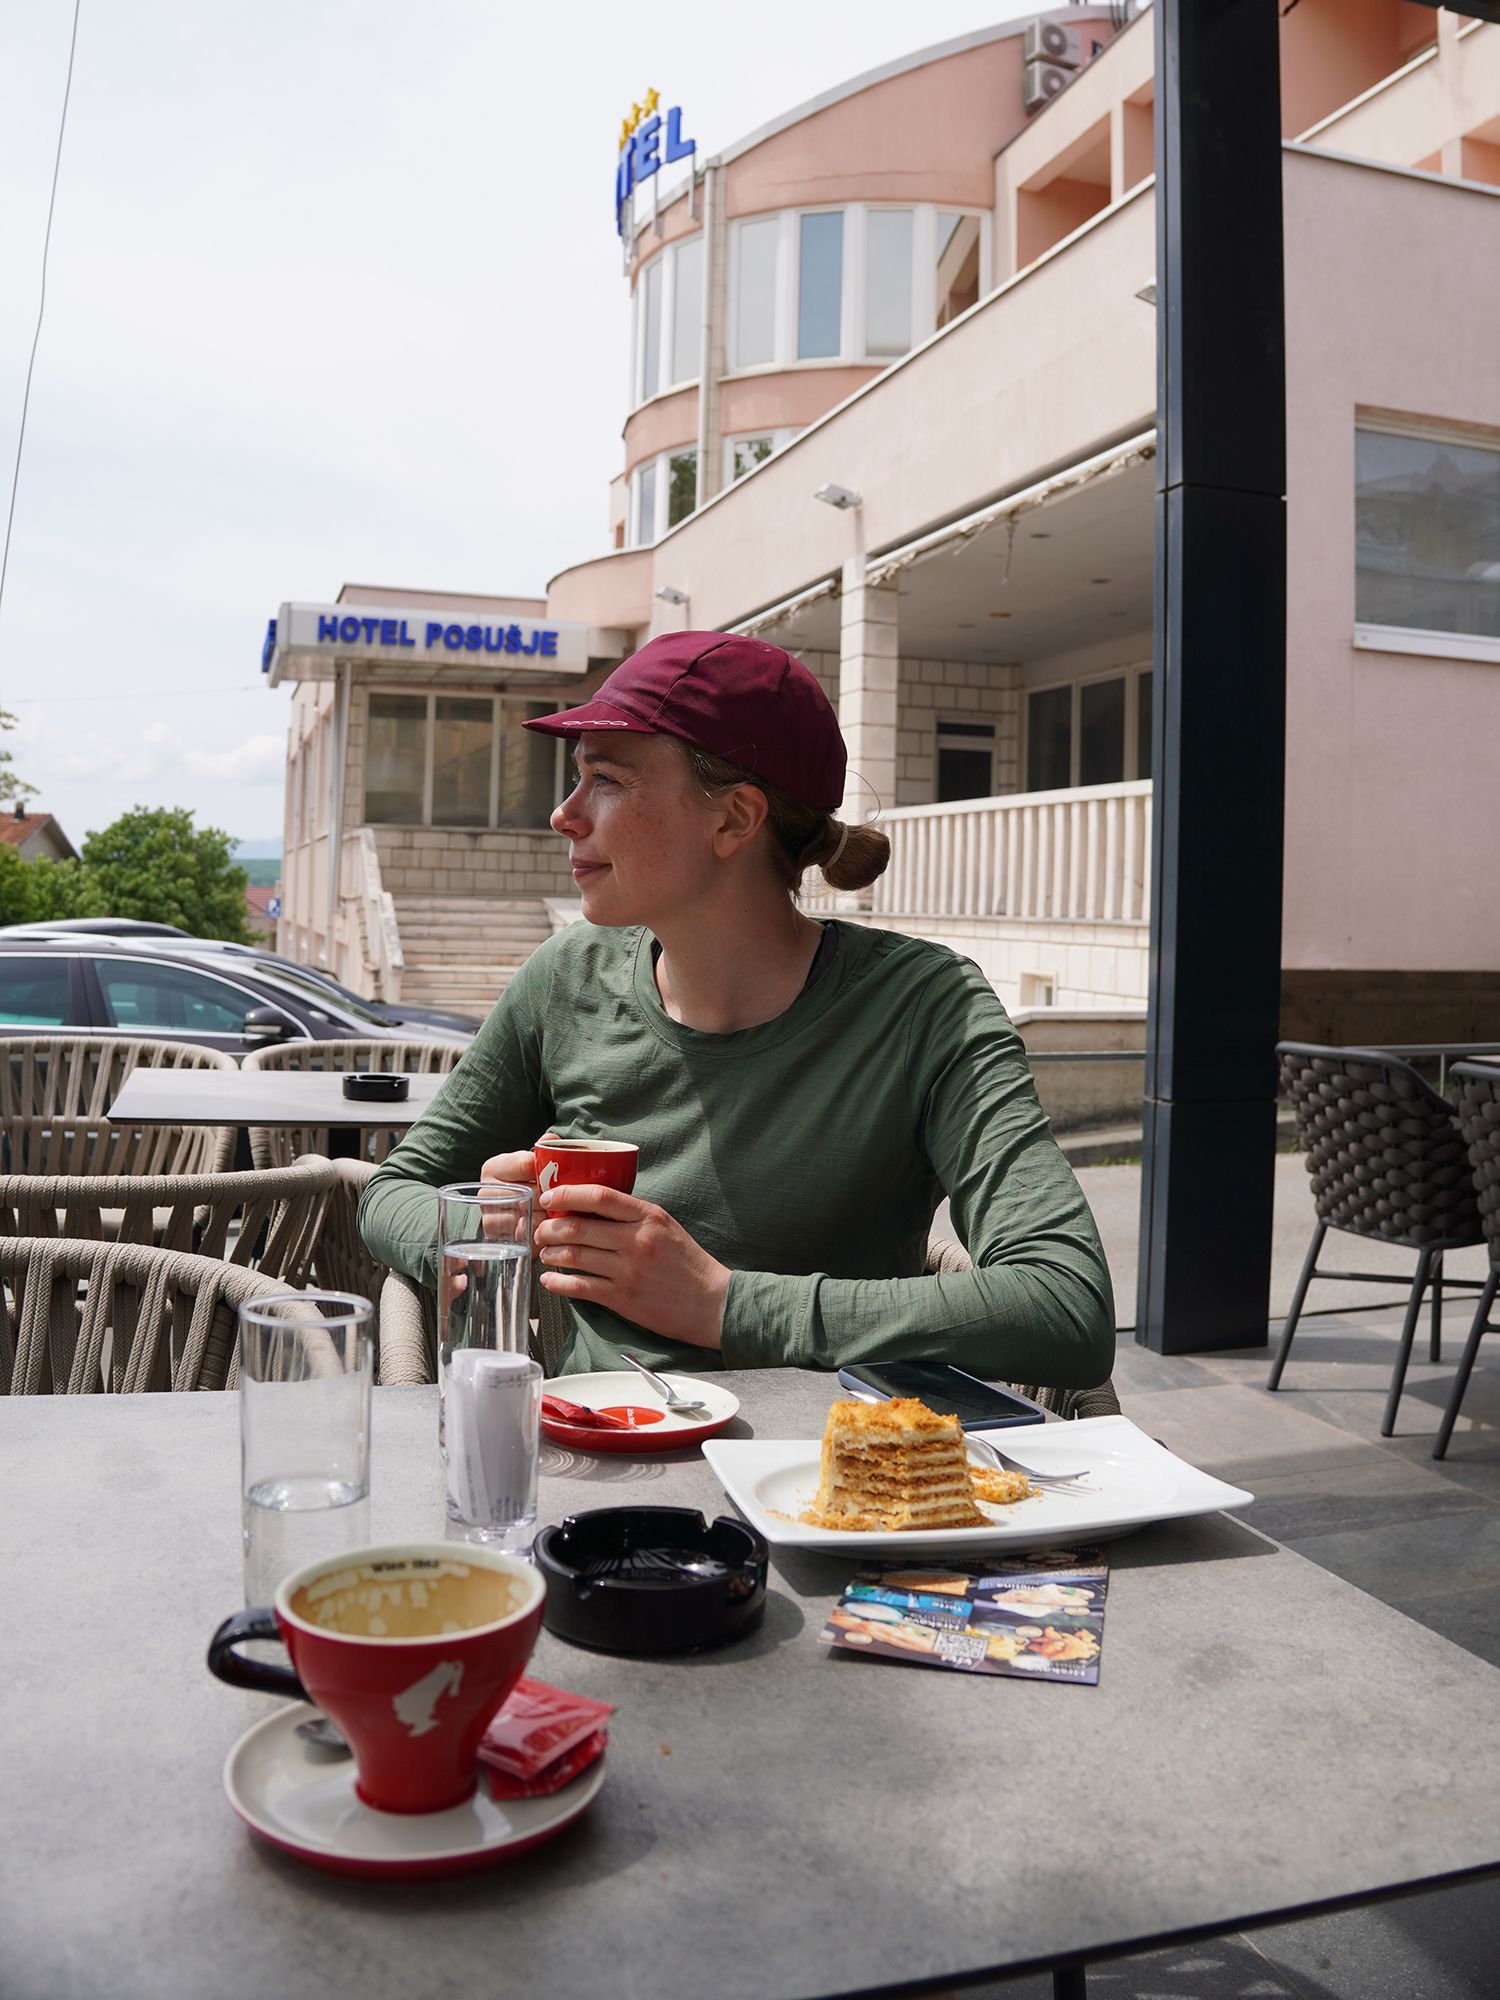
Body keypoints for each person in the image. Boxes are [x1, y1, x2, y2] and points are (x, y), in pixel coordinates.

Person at [358, 631, 1114, 1385]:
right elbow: (390, 1194)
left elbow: (1063, 1303)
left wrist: (723, 1307)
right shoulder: (566, 980)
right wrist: (478, 1227)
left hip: (831, 1479)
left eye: (607, 779)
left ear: (733, 819)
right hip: (602, 1464)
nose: (565, 814)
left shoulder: (926, 1008)